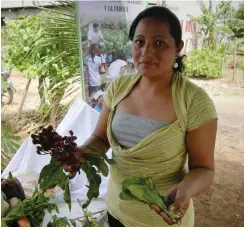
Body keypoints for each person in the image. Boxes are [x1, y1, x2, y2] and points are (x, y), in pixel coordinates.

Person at [62, 6, 217, 227]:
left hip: (163, 217)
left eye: (159, 43)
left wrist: (186, 189)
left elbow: (204, 169)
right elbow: (101, 139)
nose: (146, 51)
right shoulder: (118, 88)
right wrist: (81, 155)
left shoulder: (194, 102)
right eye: (139, 41)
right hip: (117, 209)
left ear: (178, 47)